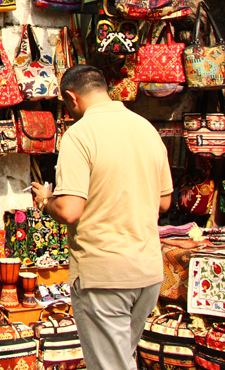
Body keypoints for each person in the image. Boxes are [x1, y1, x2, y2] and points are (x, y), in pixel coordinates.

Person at [31, 66, 173, 370]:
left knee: (112, 365)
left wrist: (45, 202)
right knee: (121, 359)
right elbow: (164, 202)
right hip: (147, 271)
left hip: (105, 274)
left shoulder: (80, 135)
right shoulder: (146, 128)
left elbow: (69, 209)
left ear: (71, 97)